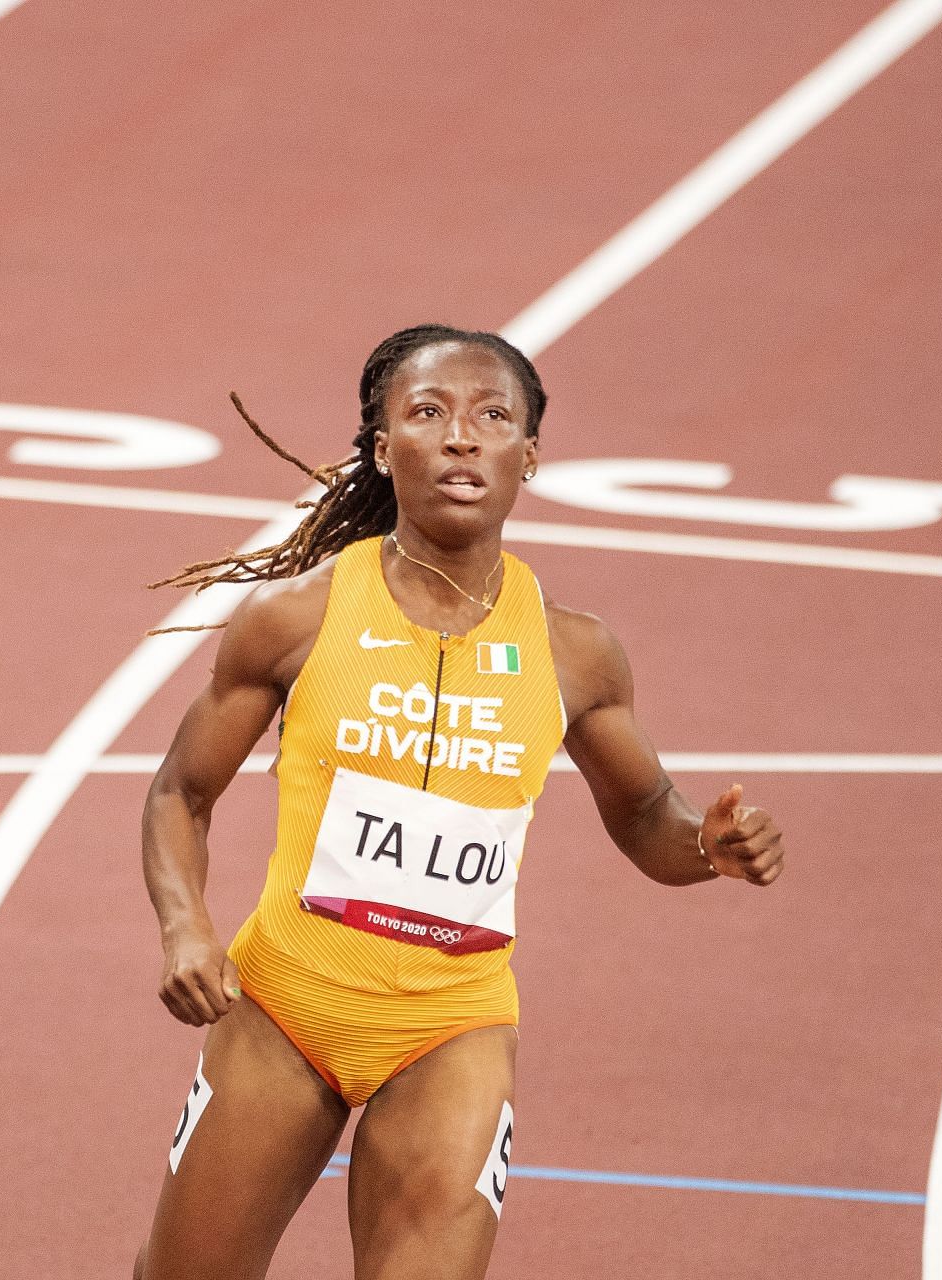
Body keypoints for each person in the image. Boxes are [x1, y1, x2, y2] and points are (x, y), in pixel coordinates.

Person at [135, 324, 784, 1280]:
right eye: (428, 413)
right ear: (381, 445)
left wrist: (707, 847)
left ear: (531, 454)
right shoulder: (296, 617)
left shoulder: (576, 652)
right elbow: (179, 793)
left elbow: (649, 818)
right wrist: (187, 928)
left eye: (493, 417)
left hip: (452, 1027)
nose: (462, 437)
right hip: (283, 1006)